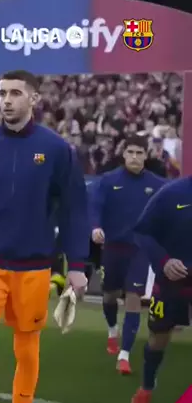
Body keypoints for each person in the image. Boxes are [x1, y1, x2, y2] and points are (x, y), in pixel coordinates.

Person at [0, 70, 90, 403]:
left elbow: (73, 210)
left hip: (34, 266)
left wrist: (76, 265)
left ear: (34, 98)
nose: (6, 100)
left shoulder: (57, 149)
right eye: (2, 93)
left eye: (15, 93)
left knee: (27, 350)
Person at [88, 136, 166, 375]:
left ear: (146, 155)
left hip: (140, 250)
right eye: (130, 152)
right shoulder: (108, 180)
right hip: (113, 248)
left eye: (139, 153)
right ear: (124, 154)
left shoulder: (157, 185)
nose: (134, 157)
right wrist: (95, 227)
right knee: (110, 295)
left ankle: (124, 355)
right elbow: (95, 207)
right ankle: (112, 331)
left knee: (134, 297)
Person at [130, 177, 192, 403]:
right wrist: (164, 261)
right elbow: (142, 232)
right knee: (158, 337)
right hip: (171, 282)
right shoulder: (171, 194)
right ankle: (147, 386)